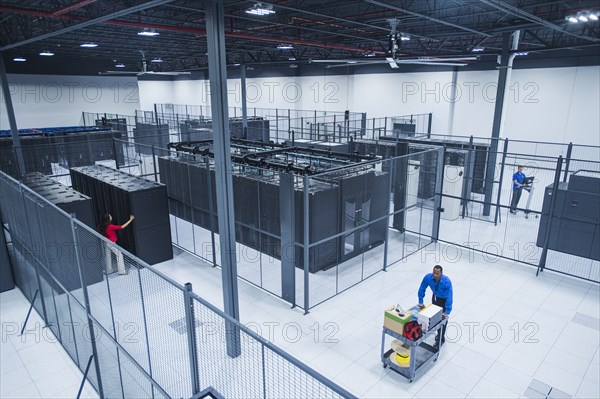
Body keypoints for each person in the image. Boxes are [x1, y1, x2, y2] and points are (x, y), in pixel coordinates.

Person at [418, 265, 453, 344]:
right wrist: (420, 301)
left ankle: (441, 337)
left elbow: (449, 296)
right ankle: (435, 331)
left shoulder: (446, 282)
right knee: (434, 317)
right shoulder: (428, 277)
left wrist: (447, 311)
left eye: (437, 274)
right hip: (435, 297)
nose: (435, 275)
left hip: (443, 300)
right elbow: (422, 288)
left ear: (441, 273)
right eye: (434, 273)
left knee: (442, 319)